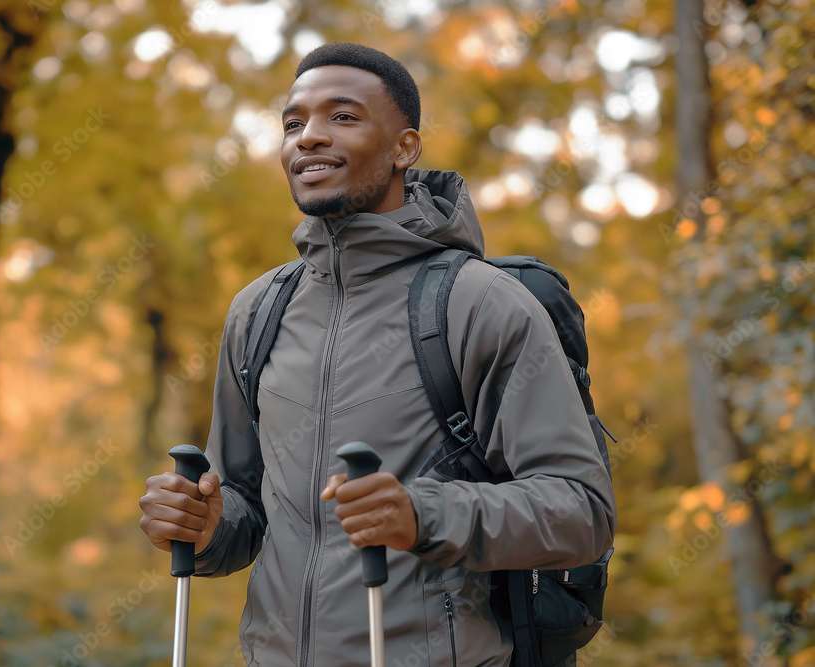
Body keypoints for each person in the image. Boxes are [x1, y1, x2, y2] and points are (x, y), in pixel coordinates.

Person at [139, 42, 616, 666]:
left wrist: (421, 514)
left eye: (343, 117)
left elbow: (581, 511)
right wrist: (204, 524)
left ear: (404, 148)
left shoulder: (479, 303)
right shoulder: (258, 311)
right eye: (293, 122)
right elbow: (245, 510)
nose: (308, 138)